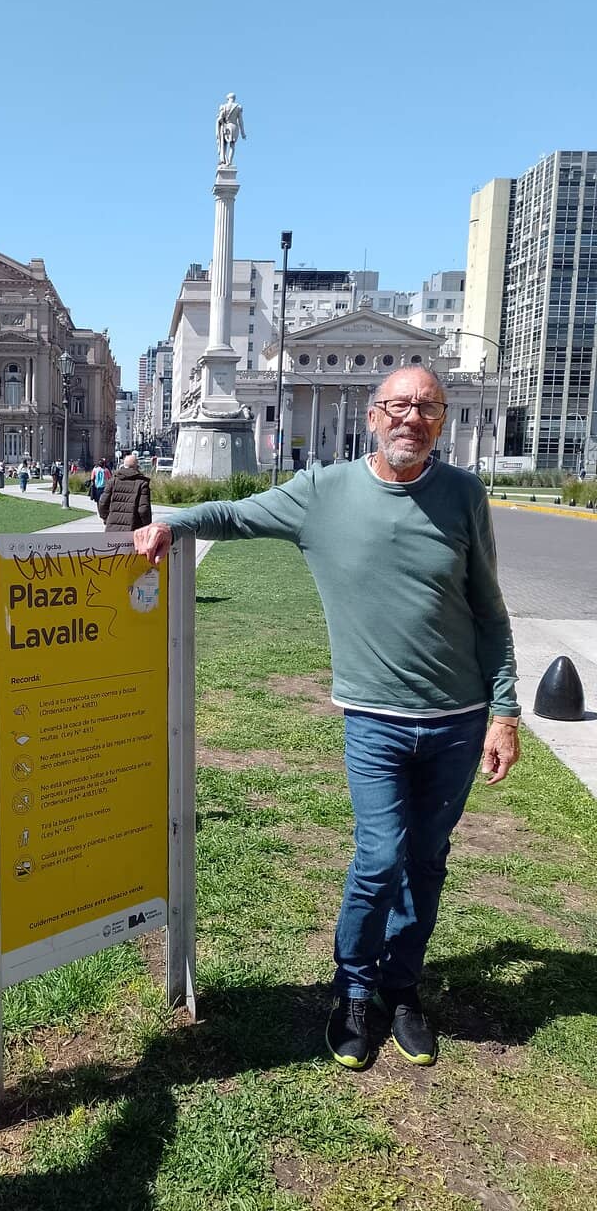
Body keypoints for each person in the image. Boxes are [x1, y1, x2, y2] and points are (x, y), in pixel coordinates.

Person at [134, 367, 520, 1071]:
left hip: (458, 720)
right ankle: (352, 990)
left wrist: (505, 712)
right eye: (399, 405)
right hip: (374, 719)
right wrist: (169, 522)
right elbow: (236, 515)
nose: (412, 417)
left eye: (427, 407)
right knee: (379, 858)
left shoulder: (464, 495)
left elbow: (490, 613)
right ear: (373, 417)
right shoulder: (322, 494)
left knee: (426, 862)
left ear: (441, 419)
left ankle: (402, 989)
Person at [98, 451, 152, 532]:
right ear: (136, 466)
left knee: (112, 545)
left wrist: (108, 519)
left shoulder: (113, 481)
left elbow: (102, 504)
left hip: (112, 529)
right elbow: (143, 510)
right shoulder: (142, 483)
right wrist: (146, 527)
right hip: (134, 529)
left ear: (124, 465)